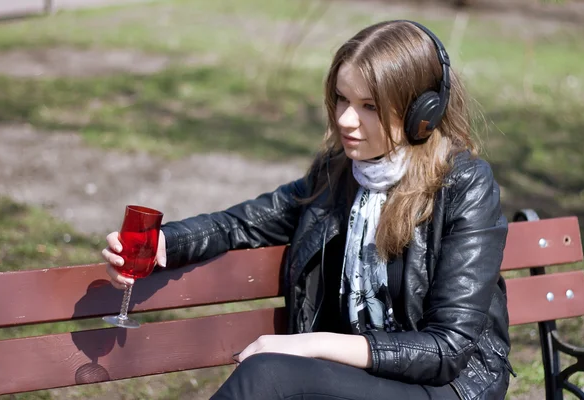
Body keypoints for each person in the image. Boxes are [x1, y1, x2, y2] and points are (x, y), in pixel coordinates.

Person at [102, 20, 514, 400]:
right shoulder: (336, 174)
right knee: (269, 377)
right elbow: (244, 223)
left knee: (269, 376)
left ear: (421, 113)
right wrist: (164, 244)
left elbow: (446, 349)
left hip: (446, 388)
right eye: (341, 99)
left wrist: (308, 344)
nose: (345, 120)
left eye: (369, 106)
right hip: (364, 380)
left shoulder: (463, 185)